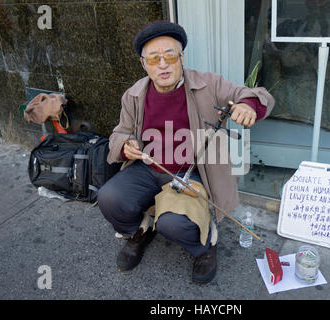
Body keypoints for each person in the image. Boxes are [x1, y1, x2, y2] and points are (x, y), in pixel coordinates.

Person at [98, 21, 275, 284]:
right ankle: (138, 232)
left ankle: (204, 246)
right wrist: (125, 145)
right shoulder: (134, 95)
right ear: (143, 64)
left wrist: (248, 106)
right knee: (109, 197)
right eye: (154, 58)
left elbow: (255, 95)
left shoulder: (208, 85)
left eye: (171, 55)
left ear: (182, 57)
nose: (163, 64)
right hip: (148, 168)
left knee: (173, 224)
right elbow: (119, 132)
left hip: (194, 173)